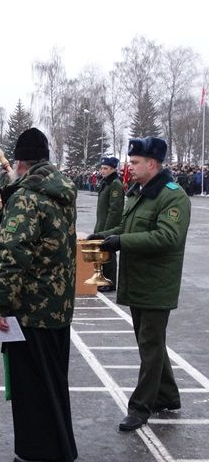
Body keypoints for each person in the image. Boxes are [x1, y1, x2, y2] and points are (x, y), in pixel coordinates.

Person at [0, 127, 78, 462]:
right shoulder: (59, 190)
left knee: (30, 390)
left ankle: (35, 453)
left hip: (30, 310)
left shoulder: (27, 198)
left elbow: (13, 253)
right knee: (53, 385)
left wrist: (1, 305)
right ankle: (60, 449)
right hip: (57, 307)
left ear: (20, 163)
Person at [89, 136, 190, 431]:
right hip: (137, 281)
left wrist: (121, 241)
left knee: (149, 345)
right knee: (151, 344)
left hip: (157, 284)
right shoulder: (139, 192)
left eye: (134, 162)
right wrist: (103, 237)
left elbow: (167, 237)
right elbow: (127, 226)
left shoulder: (172, 196)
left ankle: (140, 407)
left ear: (152, 163)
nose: (129, 167)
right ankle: (167, 395)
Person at [94, 157, 125, 292]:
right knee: (103, 253)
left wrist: (107, 230)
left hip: (108, 226)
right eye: (101, 168)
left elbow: (115, 210)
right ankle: (103, 279)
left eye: (105, 168)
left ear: (113, 169)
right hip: (101, 224)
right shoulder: (106, 182)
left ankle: (110, 282)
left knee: (109, 254)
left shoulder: (115, 184)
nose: (102, 171)